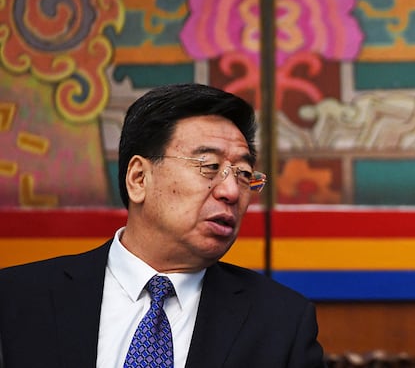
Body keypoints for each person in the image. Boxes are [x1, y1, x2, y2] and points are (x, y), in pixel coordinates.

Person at [0, 83, 324, 368]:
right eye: (209, 166)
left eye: (243, 173)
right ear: (139, 178)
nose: (230, 191)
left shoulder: (282, 322)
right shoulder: (18, 299)